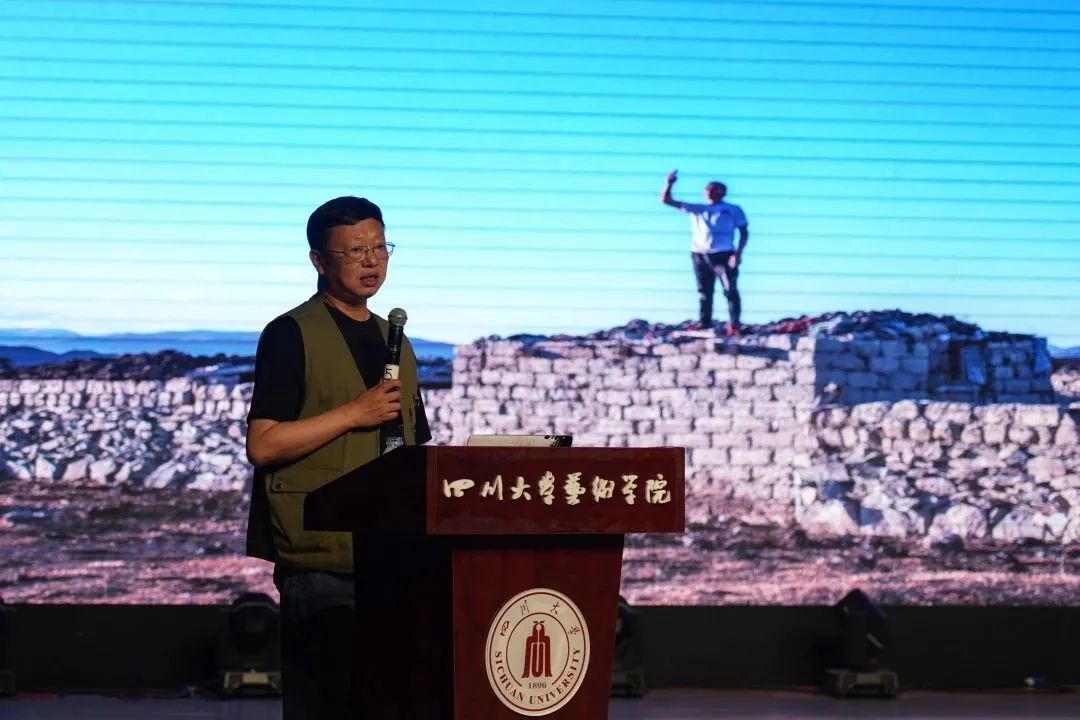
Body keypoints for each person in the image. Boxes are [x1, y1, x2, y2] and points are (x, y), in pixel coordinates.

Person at [244, 195, 431, 719]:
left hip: (392, 552)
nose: (372, 261)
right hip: (320, 555)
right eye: (354, 251)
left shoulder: (397, 339)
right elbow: (263, 445)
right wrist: (353, 414)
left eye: (380, 247)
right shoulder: (290, 333)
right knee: (325, 702)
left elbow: (413, 444)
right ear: (319, 260)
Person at [661, 170, 749, 336]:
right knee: (704, 291)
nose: (709, 191)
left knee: (730, 290)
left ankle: (735, 324)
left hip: (724, 254)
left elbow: (744, 232)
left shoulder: (732, 209)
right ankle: (705, 323)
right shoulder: (698, 209)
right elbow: (667, 200)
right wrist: (669, 183)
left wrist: (737, 254)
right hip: (700, 253)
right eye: (707, 188)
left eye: (714, 189)